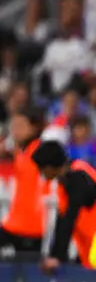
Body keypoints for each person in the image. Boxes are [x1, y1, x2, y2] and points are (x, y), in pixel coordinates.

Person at [31, 138, 96, 272]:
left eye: (41, 168)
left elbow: (69, 218)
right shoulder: (65, 181)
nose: (40, 173)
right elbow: (62, 221)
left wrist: (57, 258)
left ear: (50, 167)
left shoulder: (78, 179)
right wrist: (55, 255)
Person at [0, 107, 49, 259]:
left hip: (30, 227)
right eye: (14, 126)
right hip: (14, 224)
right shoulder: (23, 152)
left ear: (34, 127)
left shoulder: (40, 151)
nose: (15, 131)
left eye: (20, 126)